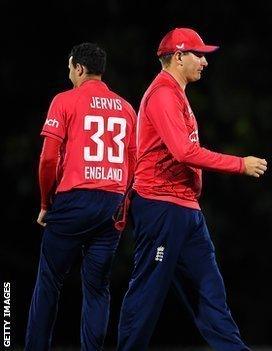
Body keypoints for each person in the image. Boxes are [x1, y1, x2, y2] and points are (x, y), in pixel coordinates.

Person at [116, 27, 267, 351]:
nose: (204, 62)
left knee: (210, 293)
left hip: (185, 209)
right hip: (160, 206)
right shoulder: (163, 94)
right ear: (179, 56)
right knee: (147, 292)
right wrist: (240, 164)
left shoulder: (176, 93)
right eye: (198, 55)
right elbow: (184, 152)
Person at [26, 43, 137, 350]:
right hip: (112, 202)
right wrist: (123, 204)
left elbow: (48, 159)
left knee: (49, 280)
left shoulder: (65, 100)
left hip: (74, 199)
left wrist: (46, 203)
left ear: (77, 67)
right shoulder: (127, 108)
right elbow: (134, 162)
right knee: (98, 287)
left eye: (69, 68)